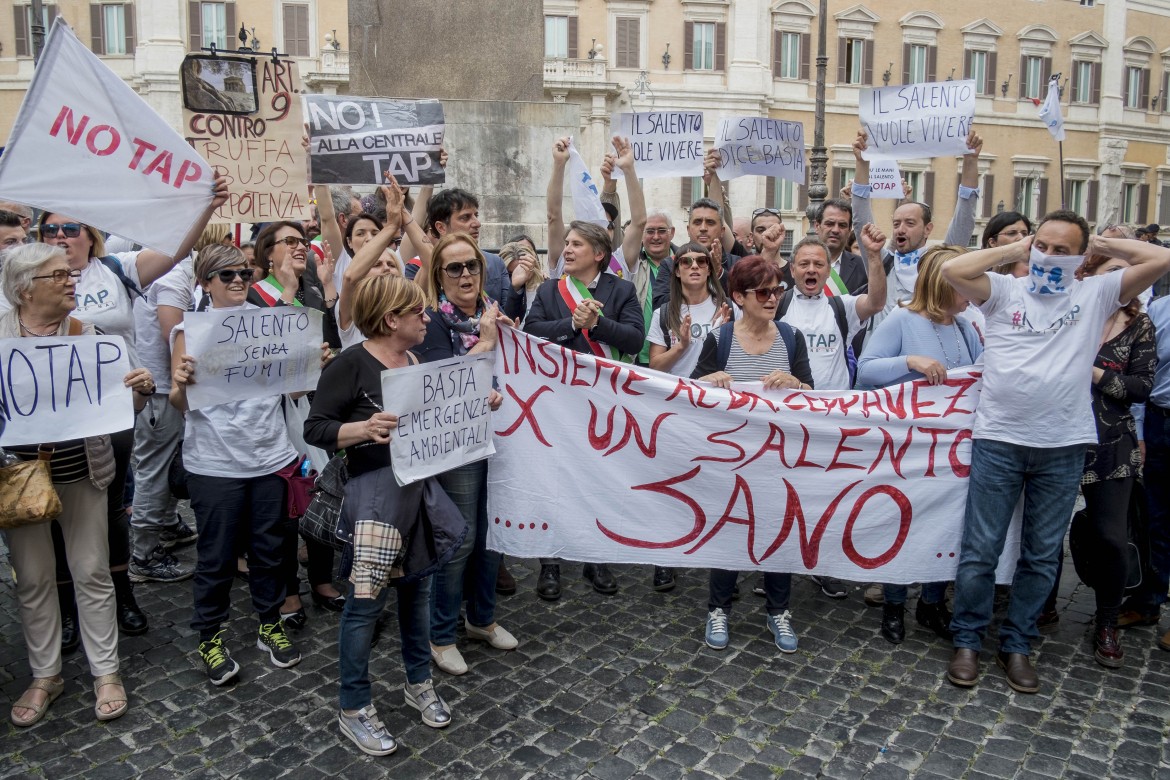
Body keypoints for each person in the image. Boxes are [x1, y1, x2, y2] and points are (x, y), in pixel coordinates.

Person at [941, 210, 1170, 694]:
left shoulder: (1096, 293)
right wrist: (1014, 251)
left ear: (1082, 257)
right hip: (1000, 439)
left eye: (1062, 251)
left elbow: (1160, 258)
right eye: (1043, 245)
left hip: (1062, 445)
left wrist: (1105, 248)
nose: (1049, 256)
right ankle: (967, 639)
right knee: (981, 548)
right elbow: (952, 272)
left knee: (1042, 555)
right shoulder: (1005, 290)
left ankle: (1018, 643)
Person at [39, 178, 227, 643]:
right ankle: (67, 611)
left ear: (91, 235)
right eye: (50, 230)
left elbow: (177, 248)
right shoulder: (30, 281)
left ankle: (122, 595)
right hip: (49, 420)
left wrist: (207, 205)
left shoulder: (116, 269)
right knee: (55, 514)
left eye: (71, 228)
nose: (61, 236)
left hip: (115, 414)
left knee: (111, 509)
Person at [304, 274, 468, 756]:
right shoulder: (352, 364)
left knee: (415, 597)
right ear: (391, 318)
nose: (426, 317)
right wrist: (362, 428)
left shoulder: (414, 360)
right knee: (364, 605)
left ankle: (417, 682)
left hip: (415, 492)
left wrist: (477, 405)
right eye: (417, 311)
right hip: (374, 499)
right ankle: (353, 706)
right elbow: (317, 427)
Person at [1, 243, 156, 725]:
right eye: (58, 276)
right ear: (25, 289)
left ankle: (105, 671)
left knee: (91, 571)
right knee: (33, 578)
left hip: (83, 473)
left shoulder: (87, 334)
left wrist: (139, 392)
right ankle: (45, 674)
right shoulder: (1, 339)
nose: (72, 281)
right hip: (20, 479)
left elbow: (118, 411)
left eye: (70, 274)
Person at [169, 244, 309, 684]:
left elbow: (293, 392)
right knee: (216, 557)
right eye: (226, 275)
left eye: (244, 275)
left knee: (270, 552)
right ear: (205, 282)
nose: (237, 282)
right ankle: (210, 634)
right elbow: (179, 404)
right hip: (214, 463)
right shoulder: (187, 334)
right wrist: (180, 384)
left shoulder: (269, 324)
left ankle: (269, 624)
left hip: (269, 456)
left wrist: (309, 369)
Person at [855, 246, 984, 643]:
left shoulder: (966, 328)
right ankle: (894, 606)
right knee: (905, 524)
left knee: (942, 527)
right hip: (908, 448)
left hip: (951, 454)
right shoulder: (902, 318)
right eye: (966, 283)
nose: (973, 291)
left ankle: (931, 604)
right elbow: (866, 367)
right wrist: (910, 361)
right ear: (942, 283)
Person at [691, 255, 813, 653]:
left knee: (780, 533)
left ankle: (779, 611)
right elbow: (692, 393)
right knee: (729, 529)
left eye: (777, 289)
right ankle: (718, 608)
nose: (773, 297)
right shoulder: (720, 339)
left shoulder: (792, 337)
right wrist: (710, 379)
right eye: (764, 291)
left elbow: (814, 396)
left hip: (780, 457)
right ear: (740, 297)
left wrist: (796, 382)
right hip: (732, 456)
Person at [524, 221, 645, 599]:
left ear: (598, 253)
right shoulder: (548, 289)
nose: (568, 249)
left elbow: (635, 339)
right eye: (567, 243)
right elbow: (531, 334)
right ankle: (551, 563)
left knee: (598, 478)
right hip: (557, 402)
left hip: (603, 403)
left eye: (576, 244)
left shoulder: (621, 290)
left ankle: (596, 556)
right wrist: (569, 324)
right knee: (554, 480)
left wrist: (598, 324)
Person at [415, 232, 516, 676]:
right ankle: (440, 635)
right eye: (454, 268)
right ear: (439, 275)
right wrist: (488, 342)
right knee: (461, 541)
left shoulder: (497, 314)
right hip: (458, 447)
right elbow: (441, 381)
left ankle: (481, 619)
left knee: (493, 536)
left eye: (471, 265)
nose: (465, 275)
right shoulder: (433, 321)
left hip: (505, 440)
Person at [246, 221, 344, 623]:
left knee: (319, 488)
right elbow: (263, 348)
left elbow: (327, 340)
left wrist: (327, 357)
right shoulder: (254, 296)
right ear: (268, 252)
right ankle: (287, 590)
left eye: (303, 240)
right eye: (289, 241)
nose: (300, 246)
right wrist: (287, 291)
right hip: (273, 411)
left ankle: (321, 578)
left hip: (313, 403)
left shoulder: (314, 289)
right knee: (283, 500)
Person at [850, 129, 983, 312]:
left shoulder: (939, 263)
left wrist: (970, 160)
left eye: (910, 223)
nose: (900, 230)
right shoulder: (880, 262)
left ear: (928, 229)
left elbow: (965, 219)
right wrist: (862, 161)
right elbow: (860, 221)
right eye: (896, 224)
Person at [813, 199, 868, 295]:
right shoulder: (800, 264)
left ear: (849, 230)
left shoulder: (863, 267)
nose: (835, 230)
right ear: (817, 226)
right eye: (830, 224)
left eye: (842, 225)